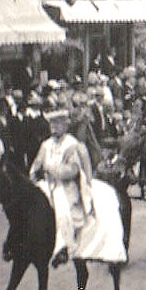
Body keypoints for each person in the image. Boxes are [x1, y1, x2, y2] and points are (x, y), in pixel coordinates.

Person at [29, 109, 95, 268]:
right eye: (52, 124)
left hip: (66, 186)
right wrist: (34, 174)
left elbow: (72, 170)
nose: (54, 127)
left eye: (57, 123)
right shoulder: (46, 145)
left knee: (62, 209)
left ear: (65, 125)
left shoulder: (72, 145)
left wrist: (51, 169)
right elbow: (36, 165)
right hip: (47, 184)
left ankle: (64, 247)